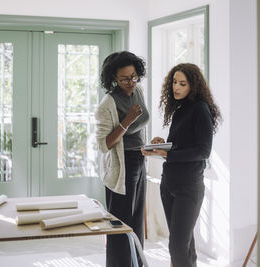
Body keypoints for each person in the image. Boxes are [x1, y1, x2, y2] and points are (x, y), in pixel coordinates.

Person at [142, 63, 221, 267]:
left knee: (176, 247)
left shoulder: (200, 109)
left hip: (189, 188)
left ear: (193, 86)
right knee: (185, 245)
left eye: (182, 83)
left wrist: (168, 154)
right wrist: (162, 144)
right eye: (174, 82)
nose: (176, 87)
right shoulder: (180, 109)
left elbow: (203, 151)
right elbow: (181, 145)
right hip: (168, 184)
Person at [95, 51, 149, 267]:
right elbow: (104, 145)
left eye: (134, 76)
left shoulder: (139, 91)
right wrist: (126, 121)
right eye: (124, 78)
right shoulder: (107, 103)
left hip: (139, 160)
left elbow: (141, 125)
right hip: (121, 166)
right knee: (120, 225)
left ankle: (137, 263)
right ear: (113, 79)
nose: (131, 82)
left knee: (136, 222)